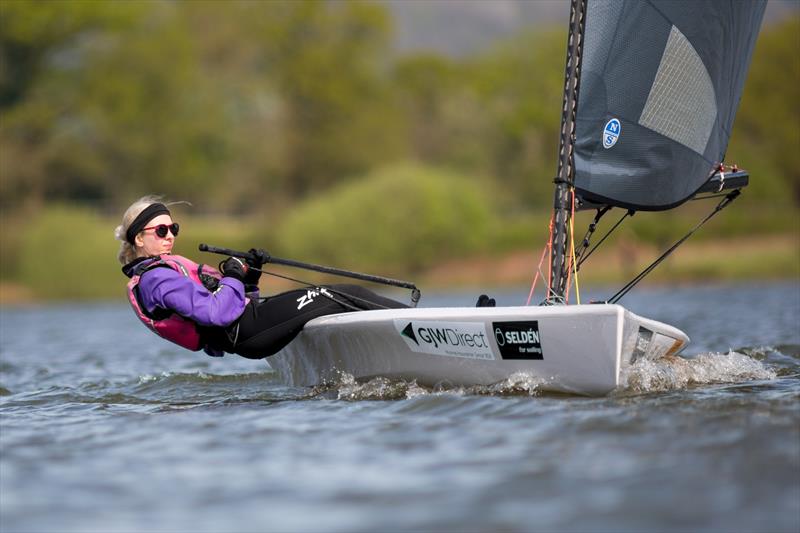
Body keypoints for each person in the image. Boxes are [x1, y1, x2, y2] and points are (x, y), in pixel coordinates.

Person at [116, 196, 407, 359]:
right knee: (340, 293)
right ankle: (419, 328)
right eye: (161, 231)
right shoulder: (156, 279)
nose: (170, 237)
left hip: (249, 323)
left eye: (173, 228)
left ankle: (410, 330)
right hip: (246, 331)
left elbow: (237, 299)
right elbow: (215, 313)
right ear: (139, 239)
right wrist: (231, 275)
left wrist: (250, 275)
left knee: (340, 295)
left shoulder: (165, 269)